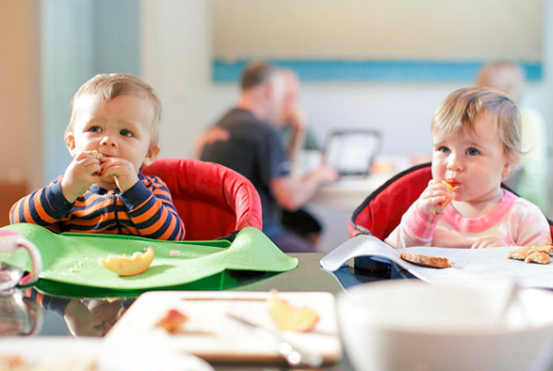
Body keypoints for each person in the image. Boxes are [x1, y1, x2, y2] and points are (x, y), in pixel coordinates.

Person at [10, 73, 185, 241]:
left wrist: (133, 190)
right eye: (95, 129)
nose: (108, 140)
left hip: (139, 270)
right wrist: (66, 190)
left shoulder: (151, 188)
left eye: (125, 132)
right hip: (77, 270)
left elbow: (173, 235)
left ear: (148, 153)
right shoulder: (67, 189)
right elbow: (18, 222)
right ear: (73, 144)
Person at [385, 87, 551, 249]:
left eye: (472, 151)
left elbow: (541, 270)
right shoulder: (427, 209)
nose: (453, 164)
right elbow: (390, 254)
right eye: (444, 149)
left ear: (507, 164)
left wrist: (508, 254)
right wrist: (421, 217)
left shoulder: (524, 218)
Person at [199, 62, 338, 252]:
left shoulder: (218, 127)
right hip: (257, 237)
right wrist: (319, 176)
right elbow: (290, 198)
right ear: (270, 90)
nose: (284, 107)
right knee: (320, 262)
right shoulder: (264, 132)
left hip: (218, 237)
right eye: (283, 98)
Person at [476, 62, 549, 213]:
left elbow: (520, 169)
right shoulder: (488, 118)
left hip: (525, 201)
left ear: (512, 92)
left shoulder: (528, 120)